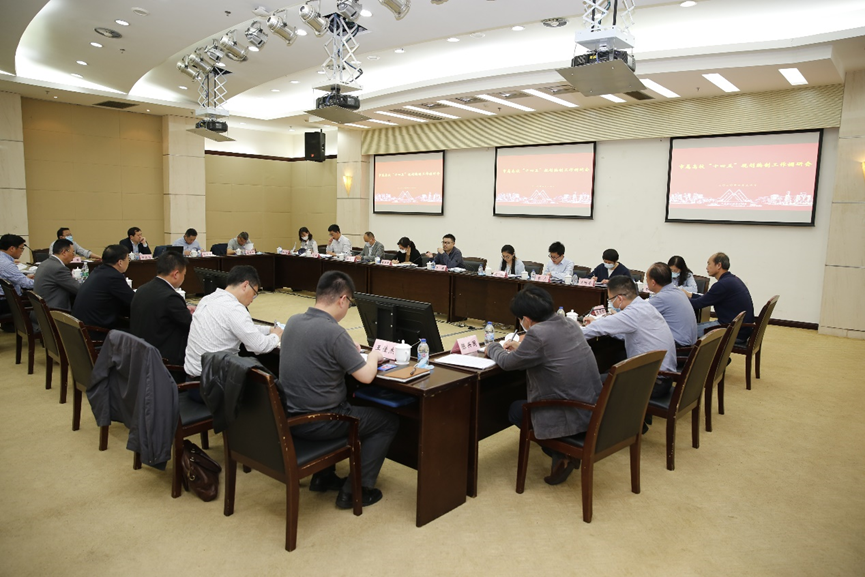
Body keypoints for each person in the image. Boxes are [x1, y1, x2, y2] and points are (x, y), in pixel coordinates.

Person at [280, 271, 398, 508]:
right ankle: (356, 490)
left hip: (290, 417)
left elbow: (314, 355)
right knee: (387, 421)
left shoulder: (293, 321)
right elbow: (366, 376)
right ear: (343, 299)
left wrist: (346, 349)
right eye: (350, 303)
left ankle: (323, 477)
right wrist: (374, 356)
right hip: (322, 422)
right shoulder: (334, 332)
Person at [485, 285, 602, 485]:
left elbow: (507, 363)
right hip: (592, 407)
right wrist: (521, 347)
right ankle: (562, 452)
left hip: (570, 413)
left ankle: (561, 452)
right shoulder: (569, 323)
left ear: (526, 319)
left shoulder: (537, 334)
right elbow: (551, 349)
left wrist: (493, 347)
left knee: (515, 410)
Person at [582, 276, 677, 400]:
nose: (610, 303)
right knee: (610, 366)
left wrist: (573, 331)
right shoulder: (644, 306)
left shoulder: (632, 313)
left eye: (610, 299)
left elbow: (596, 329)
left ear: (619, 298)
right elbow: (628, 331)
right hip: (663, 377)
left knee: (594, 382)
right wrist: (599, 324)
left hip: (653, 383)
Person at [183, 265, 282, 379]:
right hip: (212, 383)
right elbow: (259, 346)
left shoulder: (208, 298)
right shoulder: (235, 308)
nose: (252, 300)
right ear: (245, 285)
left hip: (193, 376)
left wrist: (269, 329)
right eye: (254, 294)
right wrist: (276, 336)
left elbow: (245, 327)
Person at [130, 252, 194, 366]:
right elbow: (191, 325)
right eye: (184, 274)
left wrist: (182, 309)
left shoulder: (142, 289)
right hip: (163, 357)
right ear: (176, 274)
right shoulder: (171, 297)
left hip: (141, 351)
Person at [683, 252, 755, 340]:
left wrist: (679, 299)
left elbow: (698, 304)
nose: (707, 267)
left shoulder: (722, 285)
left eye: (709, 264)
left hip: (732, 332)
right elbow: (707, 299)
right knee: (690, 328)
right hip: (739, 328)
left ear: (718, 265)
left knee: (685, 331)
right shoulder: (731, 280)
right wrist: (689, 295)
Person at [71, 244, 135, 333]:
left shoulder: (98, 270)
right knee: (140, 332)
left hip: (82, 327)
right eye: (128, 258)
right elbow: (133, 300)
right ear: (120, 262)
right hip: (95, 331)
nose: (129, 262)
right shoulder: (113, 276)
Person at [645, 262, 698, 347]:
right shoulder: (678, 292)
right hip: (689, 343)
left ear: (653, 282)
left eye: (647, 279)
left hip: (678, 346)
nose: (646, 282)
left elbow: (639, 315)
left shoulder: (661, 298)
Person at [33, 238, 80, 311]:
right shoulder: (59, 268)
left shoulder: (45, 263)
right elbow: (78, 289)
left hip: (40, 311)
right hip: (53, 312)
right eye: (73, 253)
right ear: (64, 252)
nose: (74, 256)